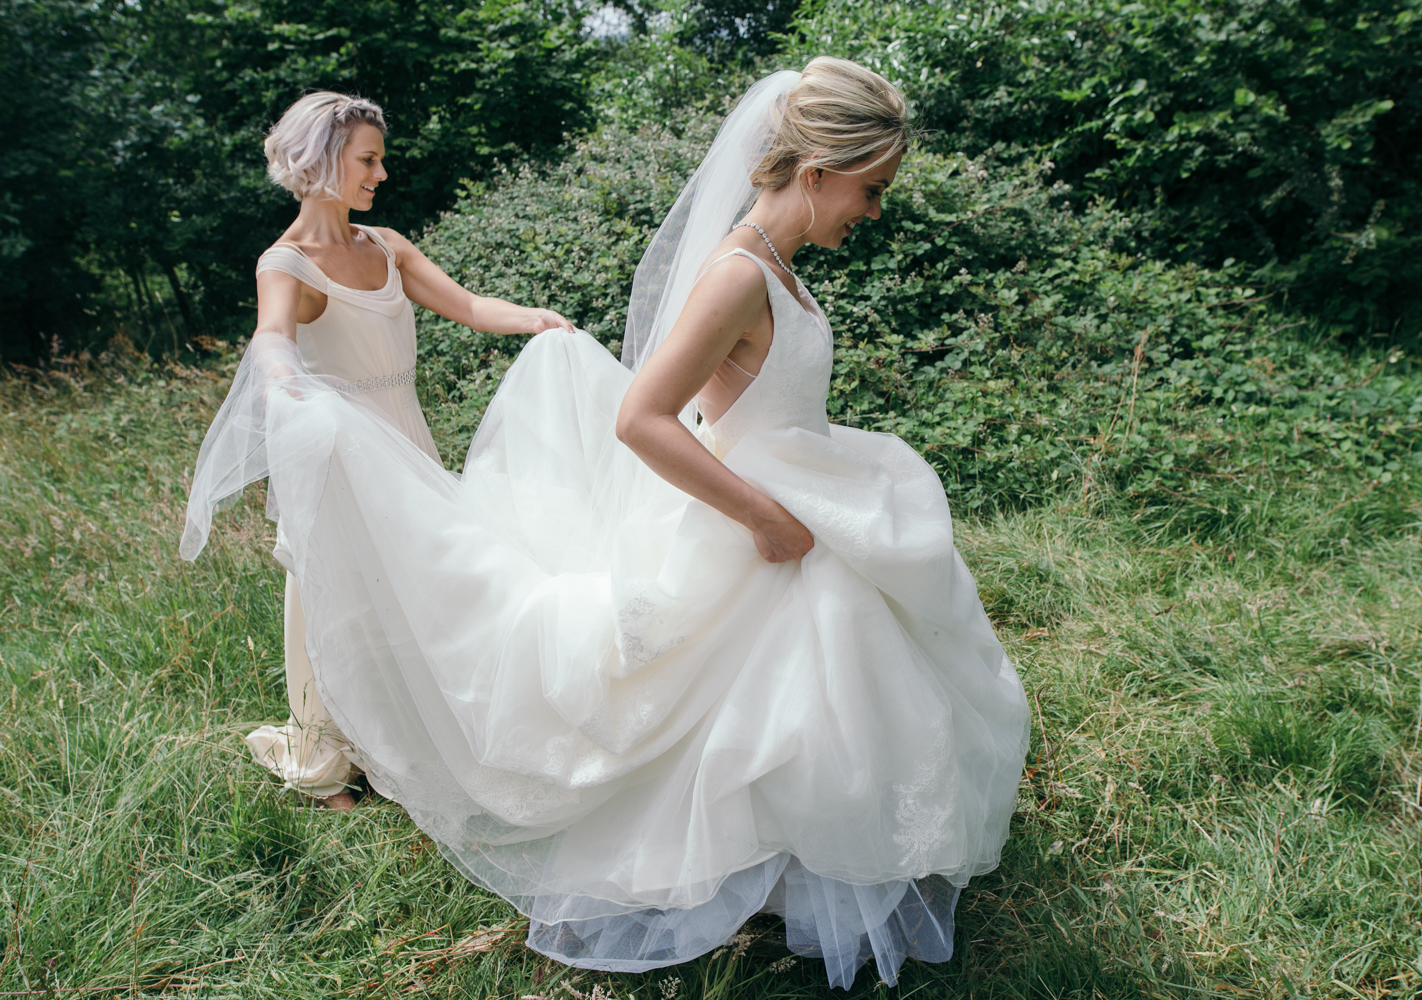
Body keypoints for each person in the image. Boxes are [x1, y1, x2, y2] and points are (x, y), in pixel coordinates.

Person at [183, 59, 1029, 989]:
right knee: (772, 693)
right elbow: (643, 420)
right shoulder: (739, 273)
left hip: (800, 495)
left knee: (825, 677)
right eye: (870, 190)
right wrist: (764, 517)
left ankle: (815, 846)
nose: (874, 211)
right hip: (760, 514)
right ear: (818, 170)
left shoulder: (772, 265)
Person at [232, 91, 572, 810]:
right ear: (322, 161)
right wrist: (280, 372)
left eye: (378, 159)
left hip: (402, 443)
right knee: (331, 598)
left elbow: (472, 307)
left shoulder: (386, 246)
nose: (381, 174)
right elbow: (270, 336)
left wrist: (534, 321)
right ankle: (322, 757)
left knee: (423, 585)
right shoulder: (286, 264)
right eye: (368, 159)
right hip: (337, 455)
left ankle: (417, 728)